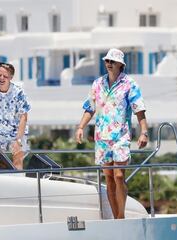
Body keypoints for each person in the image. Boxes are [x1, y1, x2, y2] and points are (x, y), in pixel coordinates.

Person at [75, 48, 148, 219]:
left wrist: (144, 132)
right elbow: (89, 108)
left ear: (120, 64)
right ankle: (116, 219)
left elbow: (139, 110)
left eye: (112, 61)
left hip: (121, 136)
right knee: (108, 177)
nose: (108, 64)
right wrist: (80, 127)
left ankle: (121, 216)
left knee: (119, 175)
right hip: (101, 137)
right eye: (106, 61)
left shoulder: (130, 84)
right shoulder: (97, 84)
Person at [0, 62, 31, 170]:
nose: (1, 78)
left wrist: (18, 140)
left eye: (5, 76)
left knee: (17, 159)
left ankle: (19, 183)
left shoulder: (19, 92)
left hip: (16, 131)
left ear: (11, 77)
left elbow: (24, 117)